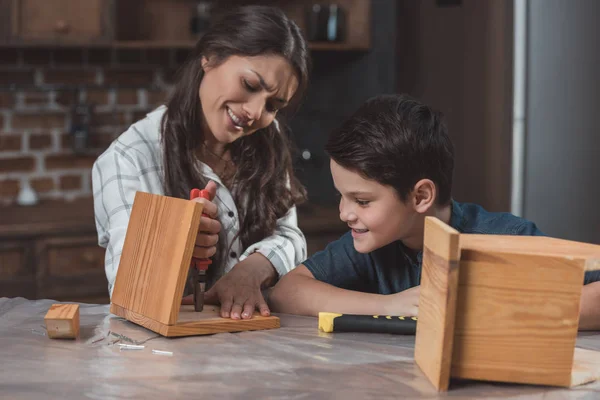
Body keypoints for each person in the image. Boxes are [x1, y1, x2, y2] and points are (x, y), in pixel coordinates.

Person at [269, 94, 600, 330]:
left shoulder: (502, 237)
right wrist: (390, 306)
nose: (344, 213)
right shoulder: (372, 246)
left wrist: (491, 310)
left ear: (421, 196)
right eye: (342, 197)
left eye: (362, 201)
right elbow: (287, 293)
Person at [92, 5, 310, 320]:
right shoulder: (129, 156)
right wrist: (176, 242)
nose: (254, 112)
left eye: (273, 106)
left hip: (255, 341)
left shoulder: (267, 137)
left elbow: (290, 236)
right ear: (209, 57)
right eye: (249, 85)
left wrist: (248, 272)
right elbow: (131, 293)